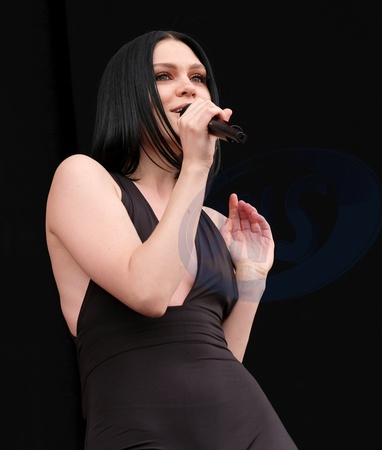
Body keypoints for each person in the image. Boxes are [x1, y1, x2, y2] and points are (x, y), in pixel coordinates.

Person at [45, 30, 298, 449]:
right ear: (128, 95)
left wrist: (252, 276)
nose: (189, 87)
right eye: (164, 76)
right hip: (138, 432)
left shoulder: (213, 223)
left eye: (198, 78)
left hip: (249, 428)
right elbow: (148, 293)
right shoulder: (82, 178)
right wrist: (196, 167)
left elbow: (221, 358)